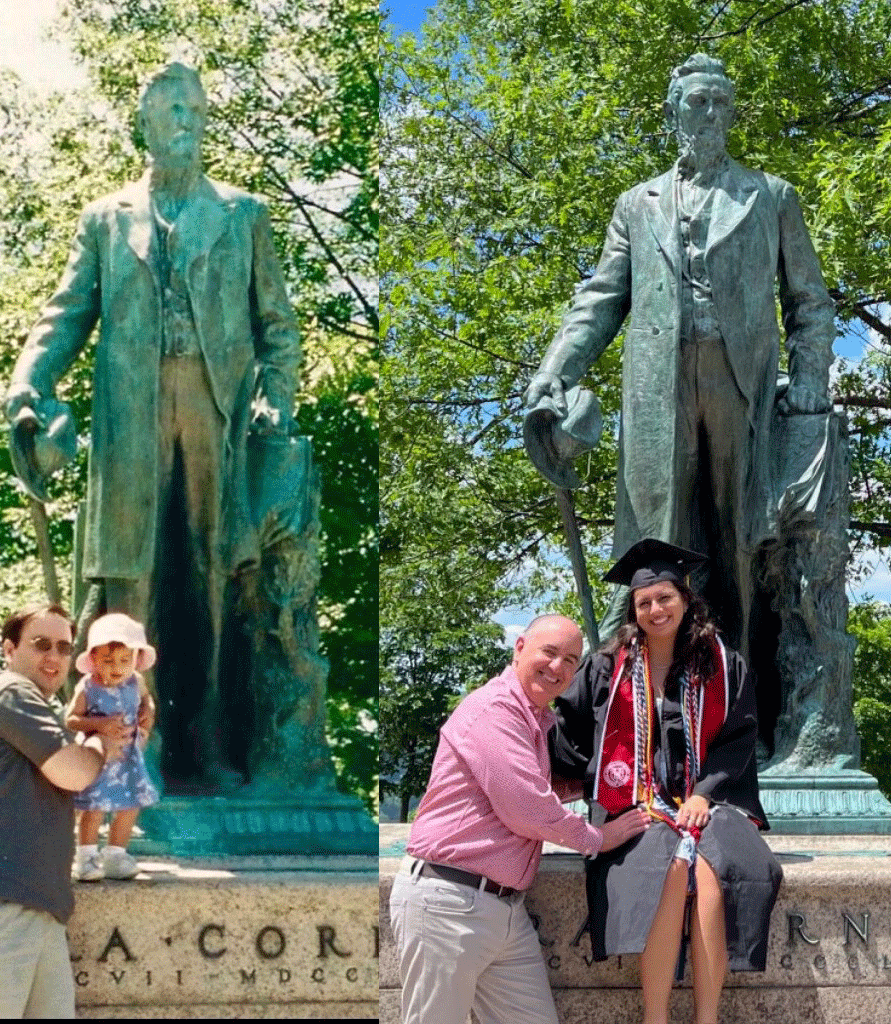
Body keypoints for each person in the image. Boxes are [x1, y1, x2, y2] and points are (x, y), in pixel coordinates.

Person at [4, 61, 300, 792]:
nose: (186, 122)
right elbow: (67, 313)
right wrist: (28, 382)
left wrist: (277, 402)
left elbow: (277, 326)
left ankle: (210, 744)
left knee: (210, 577)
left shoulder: (242, 214)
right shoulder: (106, 218)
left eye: (196, 110)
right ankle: (141, 745)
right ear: (144, 122)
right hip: (129, 415)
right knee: (129, 575)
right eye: (171, 110)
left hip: (215, 410)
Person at [524, 53, 836, 669]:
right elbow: (600, 299)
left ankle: (742, 690)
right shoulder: (635, 205)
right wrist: (554, 373)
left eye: (722, 102)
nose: (712, 113)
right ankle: (645, 693)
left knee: (738, 540)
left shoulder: (770, 196)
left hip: (738, 385)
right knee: (655, 537)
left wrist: (807, 378)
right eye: (699, 101)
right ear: (673, 112)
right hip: (656, 391)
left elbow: (809, 302)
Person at [552, 539, 783, 1024]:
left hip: (709, 802)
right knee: (671, 871)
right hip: (632, 804)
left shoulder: (719, 663)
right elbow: (568, 734)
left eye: (664, 598)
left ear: (684, 597)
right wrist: (554, 784)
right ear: (634, 610)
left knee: (710, 870)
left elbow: (739, 736)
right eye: (644, 602)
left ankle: (706, 1018)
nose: (655, 609)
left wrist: (703, 793)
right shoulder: (606, 667)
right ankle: (654, 1018)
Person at [389, 614, 650, 1024]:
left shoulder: (531, 718)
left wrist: (604, 781)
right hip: (448, 902)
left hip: (504, 911)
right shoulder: (495, 711)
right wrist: (600, 837)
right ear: (520, 648)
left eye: (571, 659)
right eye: (549, 652)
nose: (558, 667)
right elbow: (527, 807)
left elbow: (529, 787)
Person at [0, 603, 128, 1018]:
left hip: (32, 907)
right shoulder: (9, 690)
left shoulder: (33, 706)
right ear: (9, 650)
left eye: (64, 648)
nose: (54, 658)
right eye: (40, 645)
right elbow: (71, 771)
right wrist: (102, 742)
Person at [65, 613, 159, 882]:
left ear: (136, 659)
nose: (117, 667)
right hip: (99, 759)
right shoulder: (88, 687)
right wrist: (100, 723)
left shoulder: (135, 681)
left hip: (127, 758)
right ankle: (86, 858)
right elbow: (71, 719)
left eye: (125, 660)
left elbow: (145, 699)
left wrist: (148, 712)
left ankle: (116, 855)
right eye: (107, 660)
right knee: (94, 807)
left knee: (129, 806)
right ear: (93, 659)